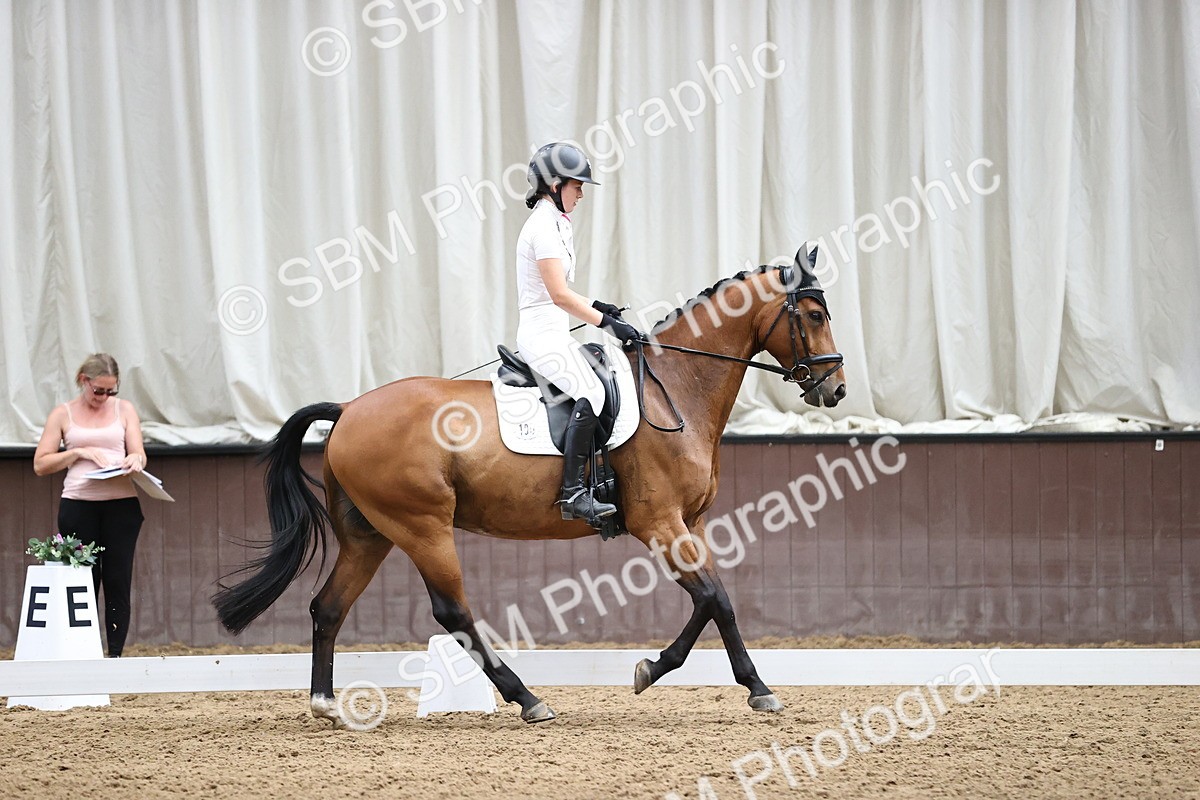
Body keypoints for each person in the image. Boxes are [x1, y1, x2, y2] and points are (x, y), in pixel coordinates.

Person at [516, 142, 645, 527]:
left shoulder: (556, 222)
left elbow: (562, 294)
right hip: (540, 336)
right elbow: (558, 295)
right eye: (577, 185)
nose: (582, 193)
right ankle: (572, 493)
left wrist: (599, 305)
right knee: (593, 391)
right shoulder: (542, 227)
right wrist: (607, 324)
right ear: (555, 185)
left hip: (554, 332)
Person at [33, 353, 147, 657]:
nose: (104, 397)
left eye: (111, 391)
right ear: (83, 381)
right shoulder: (63, 414)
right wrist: (78, 452)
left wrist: (135, 459)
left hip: (121, 504)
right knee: (82, 579)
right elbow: (41, 464)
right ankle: (83, 652)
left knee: (117, 579)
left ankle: (115, 654)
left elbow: (138, 452)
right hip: (79, 505)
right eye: (98, 390)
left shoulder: (124, 409)